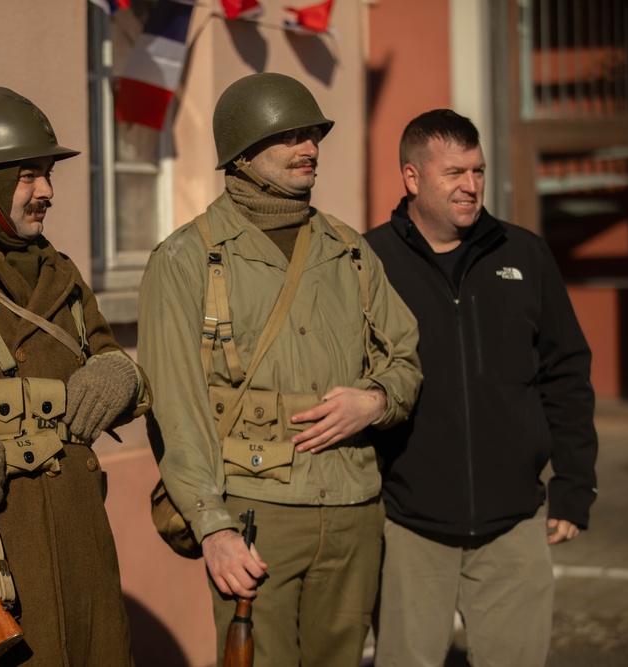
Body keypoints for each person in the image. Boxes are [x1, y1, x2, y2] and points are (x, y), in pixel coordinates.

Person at [138, 72, 423, 666]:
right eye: (290, 136)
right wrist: (213, 527)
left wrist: (376, 401)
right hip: (254, 514)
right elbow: (178, 409)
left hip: (352, 505)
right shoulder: (185, 259)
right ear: (242, 153)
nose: (310, 148)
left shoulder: (348, 250)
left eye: (313, 134)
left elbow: (404, 359)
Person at [364, 109, 598, 667]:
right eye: (454, 173)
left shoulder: (524, 254)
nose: (471, 186)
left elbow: (566, 372)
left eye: (478, 171)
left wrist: (574, 485)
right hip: (408, 524)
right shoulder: (367, 262)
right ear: (412, 177)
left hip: (514, 521)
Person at [0, 87, 151, 667]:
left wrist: (118, 374)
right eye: (29, 176)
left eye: (47, 174)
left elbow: (107, 352)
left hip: (80, 536)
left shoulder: (60, 270)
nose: (46, 191)